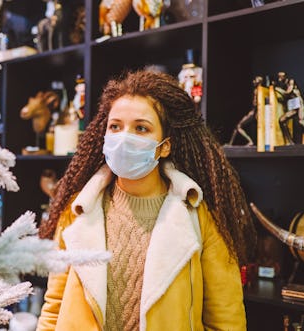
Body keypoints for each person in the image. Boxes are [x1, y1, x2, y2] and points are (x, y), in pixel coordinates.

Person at [36, 68, 257, 331]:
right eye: (115, 127)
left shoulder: (201, 216)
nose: (123, 138)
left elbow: (226, 321)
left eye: (141, 128)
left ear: (165, 145)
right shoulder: (77, 210)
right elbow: (54, 308)